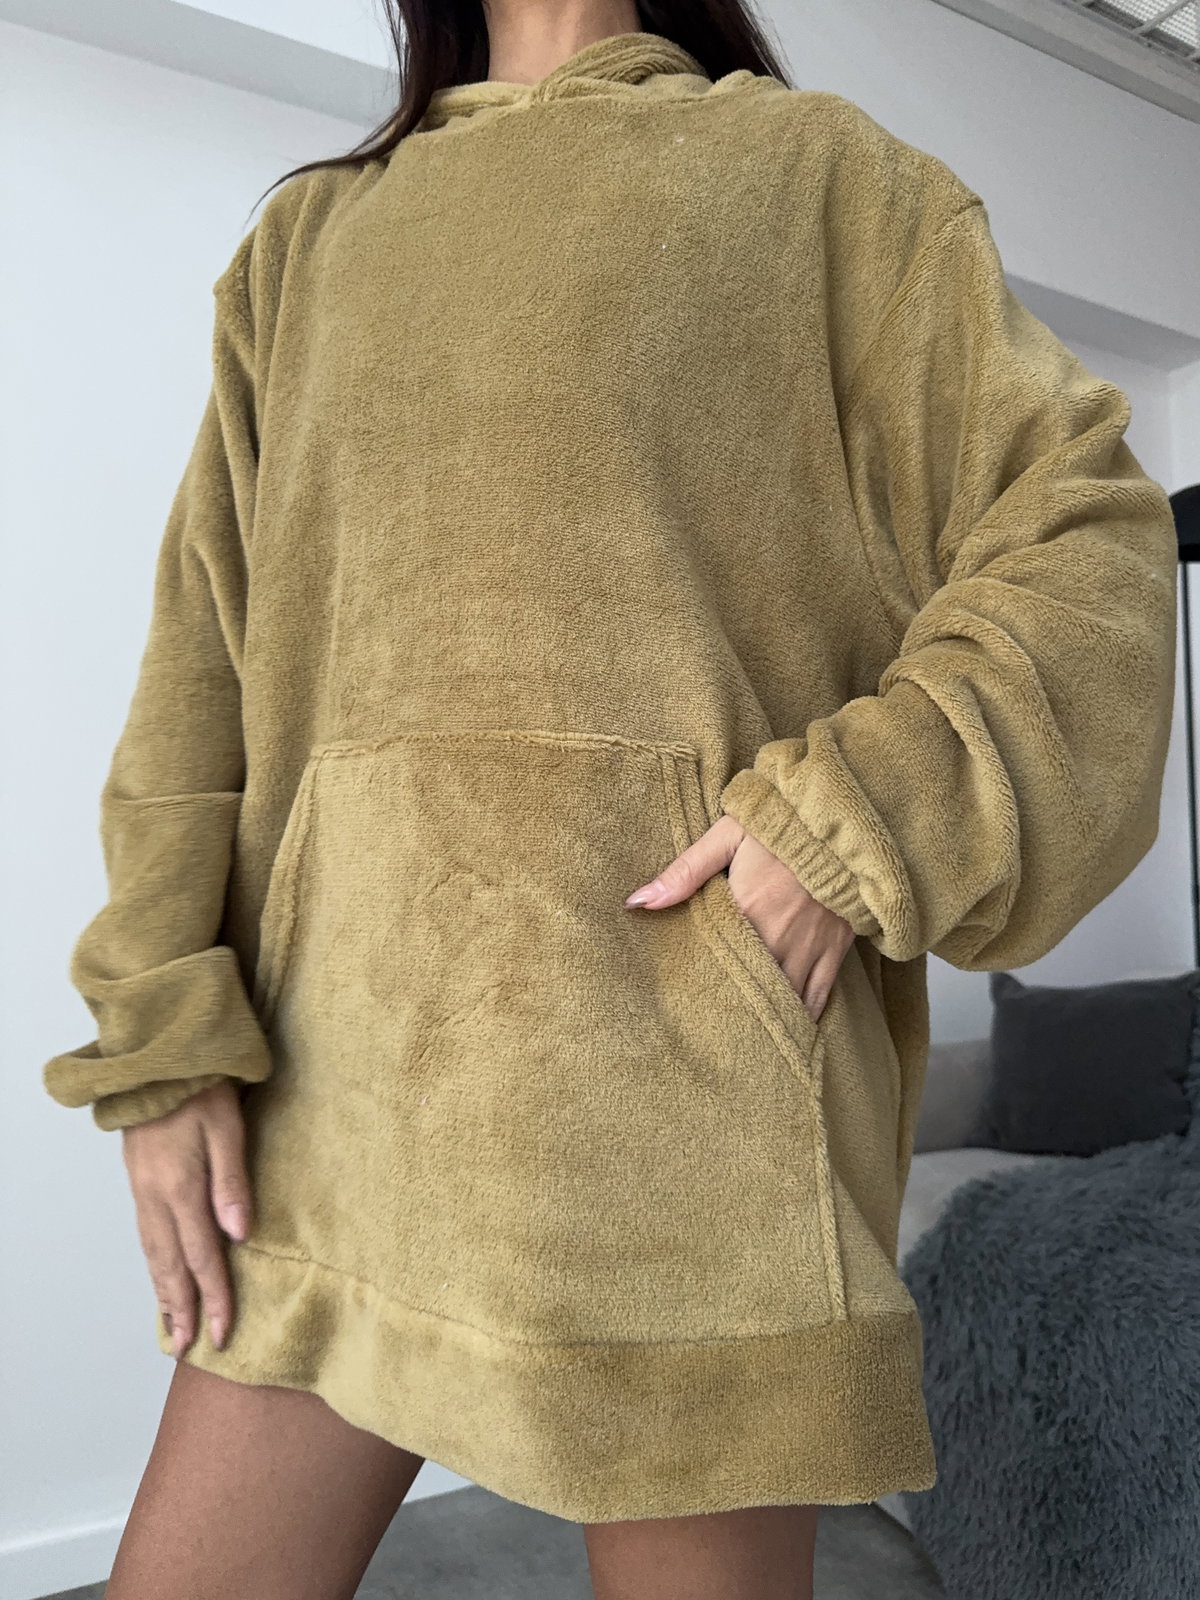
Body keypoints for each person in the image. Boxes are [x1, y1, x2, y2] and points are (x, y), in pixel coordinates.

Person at [42, 1, 1178, 1596]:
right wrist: (159, 1044)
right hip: (331, 1111)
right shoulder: (310, 242)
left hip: (681, 1133)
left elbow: (1092, 548)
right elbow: (200, 674)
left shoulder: (823, 183)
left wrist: (854, 821)